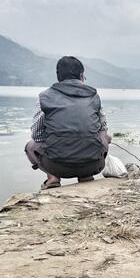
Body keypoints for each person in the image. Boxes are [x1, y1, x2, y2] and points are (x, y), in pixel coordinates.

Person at [25, 56, 111, 189]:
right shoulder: (94, 96)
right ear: (81, 76)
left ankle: (52, 177)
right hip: (93, 164)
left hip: (56, 166)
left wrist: (55, 139)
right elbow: (103, 127)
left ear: (58, 77)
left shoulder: (45, 97)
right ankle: (85, 175)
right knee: (104, 136)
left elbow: (36, 135)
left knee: (30, 147)